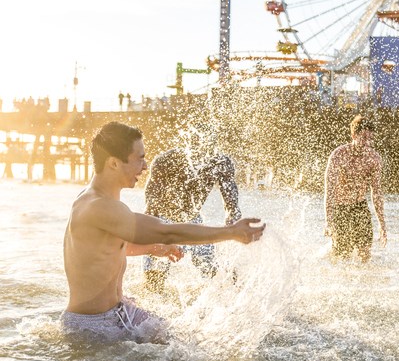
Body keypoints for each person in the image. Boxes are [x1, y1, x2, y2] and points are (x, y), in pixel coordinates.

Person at [61, 122, 265, 343]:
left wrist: (153, 249)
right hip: (91, 326)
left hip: (121, 311)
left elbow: (106, 248)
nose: (145, 165)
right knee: (174, 357)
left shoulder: (101, 199)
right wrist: (231, 232)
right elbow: (166, 231)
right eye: (139, 158)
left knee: (181, 341)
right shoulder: (97, 206)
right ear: (113, 163)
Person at [142, 126, 242, 293]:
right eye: (194, 147)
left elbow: (231, 200)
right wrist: (152, 235)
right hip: (163, 221)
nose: (199, 154)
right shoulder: (165, 161)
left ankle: (237, 295)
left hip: (193, 220)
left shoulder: (219, 163)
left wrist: (232, 218)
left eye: (205, 148)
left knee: (211, 267)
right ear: (186, 145)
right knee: (155, 277)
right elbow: (151, 201)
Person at [324, 115, 387, 262]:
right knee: (341, 256)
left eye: (371, 138)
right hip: (340, 208)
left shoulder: (374, 159)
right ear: (353, 135)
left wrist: (382, 224)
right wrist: (328, 219)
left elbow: (376, 193)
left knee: (365, 254)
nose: (368, 143)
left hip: (360, 207)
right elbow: (330, 189)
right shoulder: (338, 155)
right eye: (364, 138)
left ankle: (364, 284)